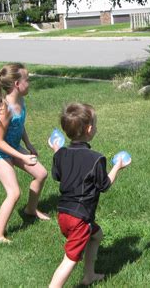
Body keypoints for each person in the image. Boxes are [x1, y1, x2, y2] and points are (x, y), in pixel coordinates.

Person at [48, 103, 131, 287]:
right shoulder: (96, 159)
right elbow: (104, 185)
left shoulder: (61, 154)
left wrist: (57, 151)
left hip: (63, 213)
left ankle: (89, 275)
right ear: (90, 129)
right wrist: (118, 165)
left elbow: (57, 175)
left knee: (97, 235)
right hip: (80, 218)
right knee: (70, 259)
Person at [0, 63, 50, 244]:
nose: (29, 83)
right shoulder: (4, 109)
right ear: (16, 85)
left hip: (12, 145)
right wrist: (21, 156)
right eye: (27, 79)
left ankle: (30, 209)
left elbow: (19, 125)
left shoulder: (20, 100)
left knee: (41, 174)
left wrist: (28, 144)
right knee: (13, 192)